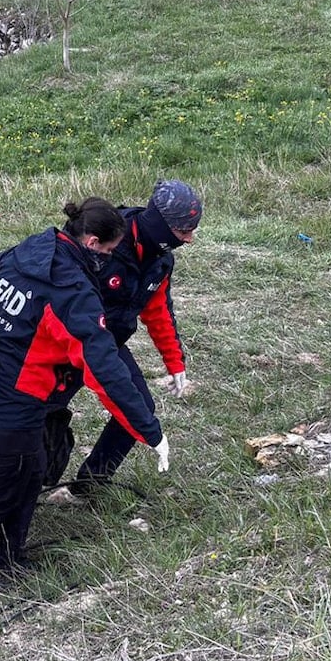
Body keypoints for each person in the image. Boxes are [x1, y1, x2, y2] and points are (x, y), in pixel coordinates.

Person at [0, 198, 172, 591]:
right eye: (110, 252)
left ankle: (9, 558)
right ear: (93, 243)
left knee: (31, 475)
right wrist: (149, 430)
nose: (111, 260)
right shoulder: (71, 290)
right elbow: (102, 367)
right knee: (0, 490)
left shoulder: (30, 248)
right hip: (12, 404)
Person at [69, 180, 201, 495]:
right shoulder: (106, 239)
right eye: (183, 232)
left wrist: (174, 362)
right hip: (67, 339)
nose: (190, 239)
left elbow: (157, 309)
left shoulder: (160, 260)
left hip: (109, 342)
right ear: (162, 226)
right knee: (37, 414)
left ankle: (86, 487)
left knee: (138, 407)